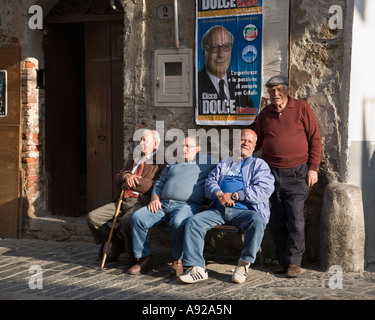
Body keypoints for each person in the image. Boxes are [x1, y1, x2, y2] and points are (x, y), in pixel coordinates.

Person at [178, 129, 275, 284]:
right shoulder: (226, 163)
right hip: (220, 209)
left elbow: (264, 189)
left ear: (254, 146)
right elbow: (210, 182)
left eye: (250, 141)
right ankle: (197, 268)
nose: (245, 143)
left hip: (245, 211)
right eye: (243, 139)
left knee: (257, 221)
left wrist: (236, 196)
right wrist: (219, 195)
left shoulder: (259, 165)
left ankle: (243, 265)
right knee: (193, 222)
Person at [254, 75, 322, 277]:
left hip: (297, 172)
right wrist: (242, 151)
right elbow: (257, 140)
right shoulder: (265, 113)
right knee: (276, 219)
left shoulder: (301, 107)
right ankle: (281, 258)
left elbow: (315, 139)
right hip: (271, 173)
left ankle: (293, 262)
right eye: (271, 90)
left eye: (278, 89)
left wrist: (313, 168)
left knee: (296, 218)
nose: (275, 93)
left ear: (286, 90)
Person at [128, 136, 217, 276]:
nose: (184, 149)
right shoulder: (172, 163)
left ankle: (178, 259)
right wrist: (155, 198)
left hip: (186, 206)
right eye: (182, 146)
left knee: (178, 222)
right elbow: (159, 183)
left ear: (198, 150)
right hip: (162, 205)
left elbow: (227, 166)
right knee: (138, 218)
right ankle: (145, 258)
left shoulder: (208, 162)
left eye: (188, 146)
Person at [87, 129, 165, 264]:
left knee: (127, 220)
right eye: (140, 140)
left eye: (144, 140)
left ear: (155, 144)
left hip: (139, 201)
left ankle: (133, 254)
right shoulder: (134, 159)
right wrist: (126, 176)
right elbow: (118, 177)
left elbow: (157, 185)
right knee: (93, 218)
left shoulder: (161, 163)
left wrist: (135, 180)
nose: (140, 143)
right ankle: (118, 242)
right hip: (122, 200)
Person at [197, 25, 254, 116]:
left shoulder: (241, 84)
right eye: (214, 47)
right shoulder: (195, 83)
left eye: (226, 47)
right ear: (204, 52)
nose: (221, 54)